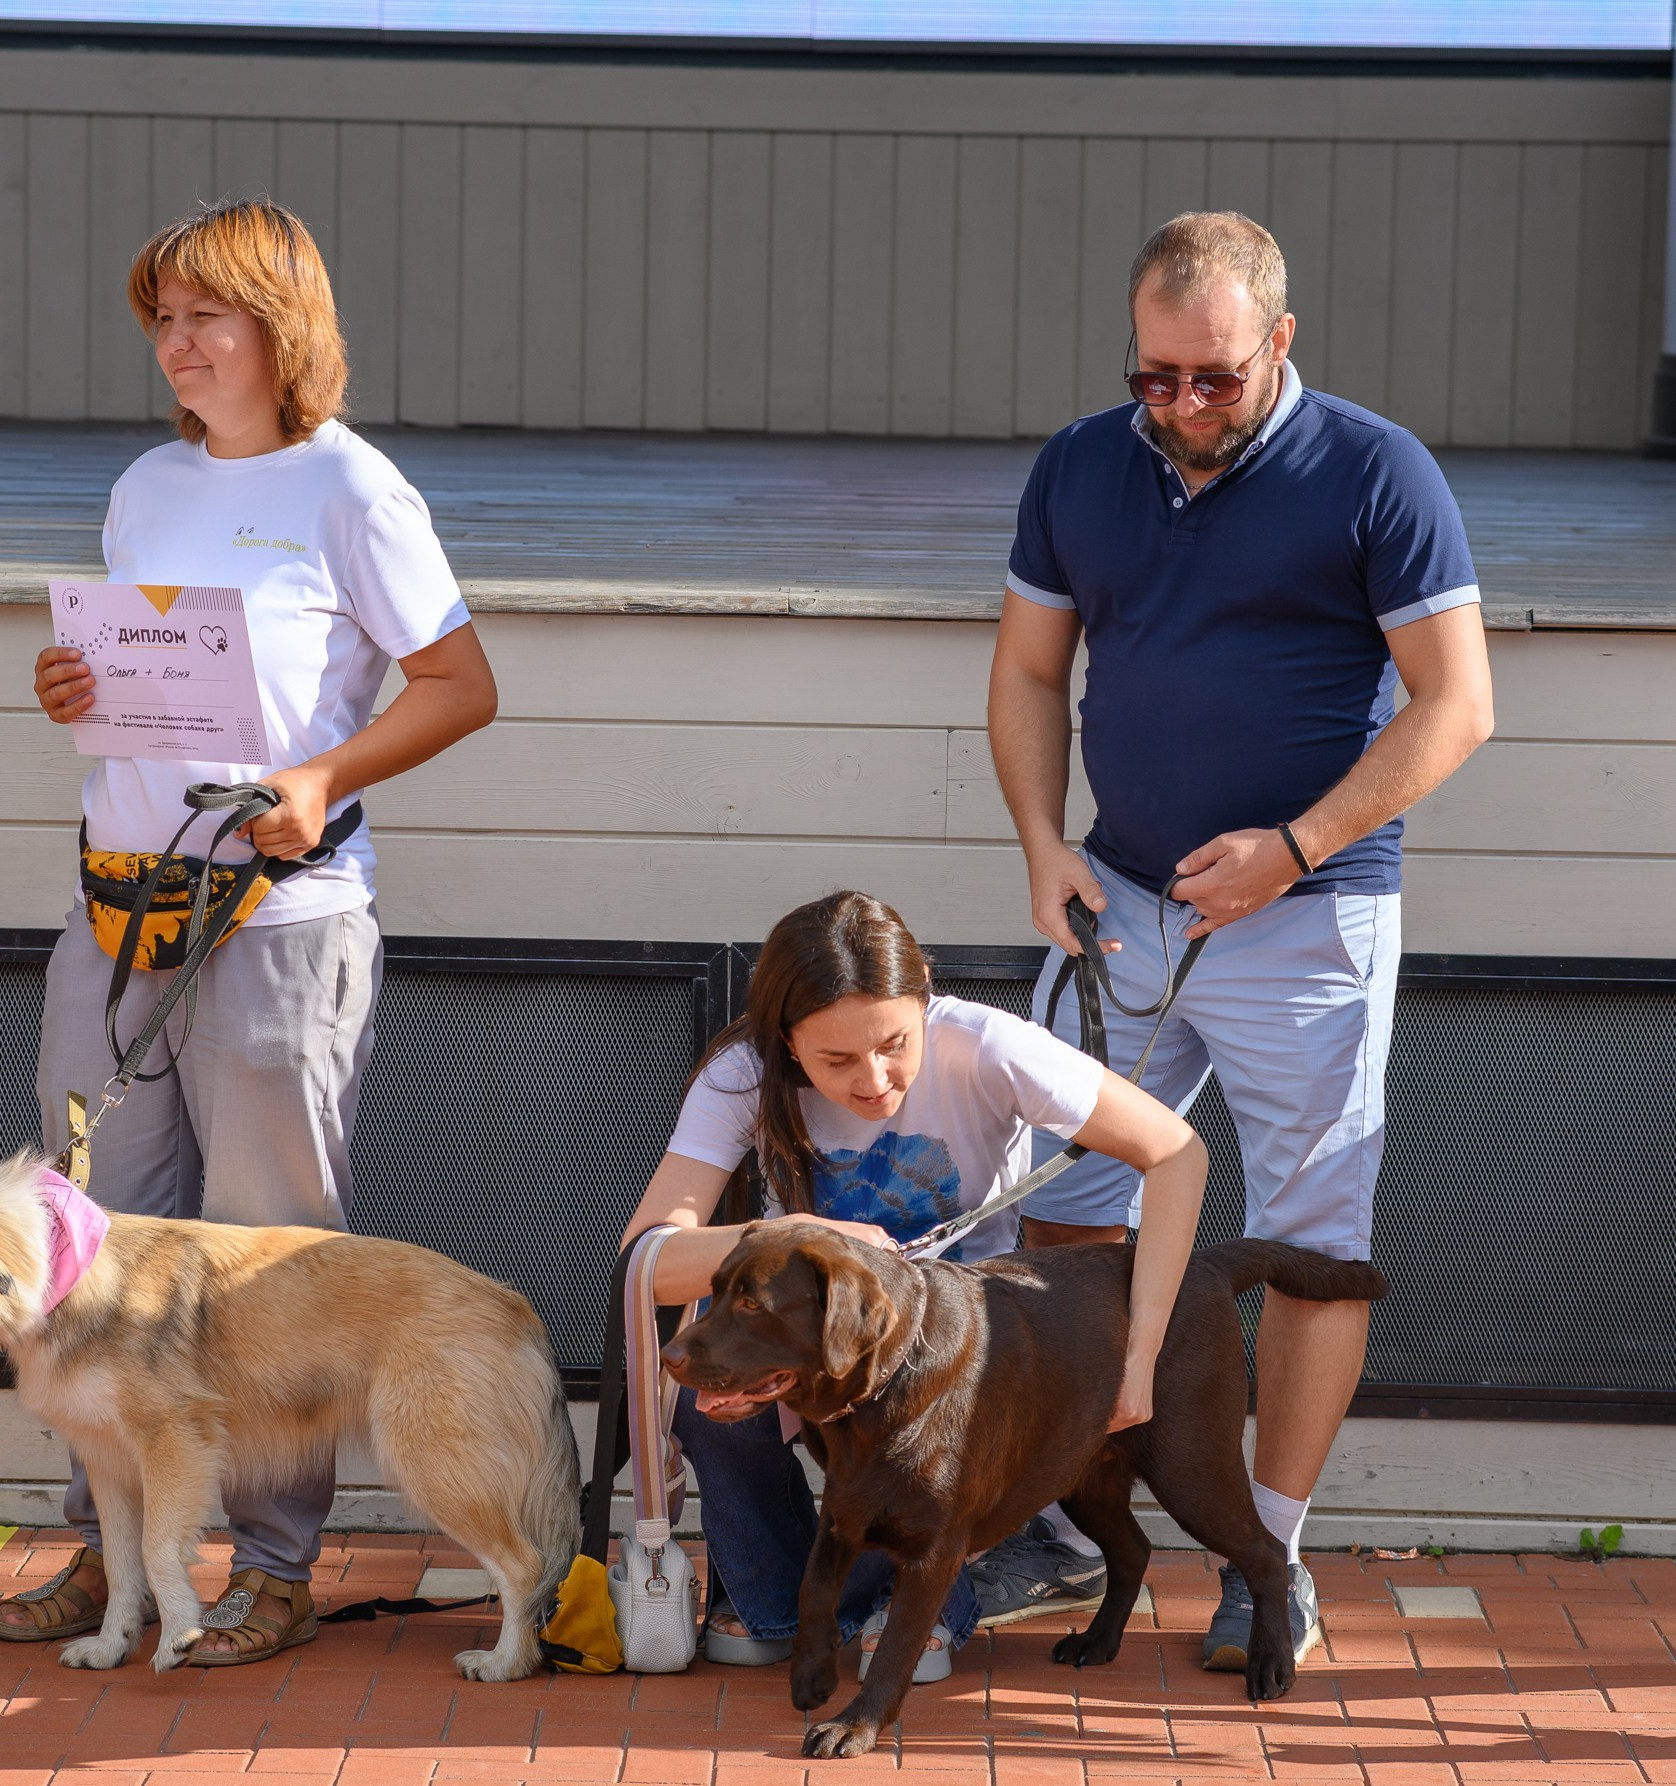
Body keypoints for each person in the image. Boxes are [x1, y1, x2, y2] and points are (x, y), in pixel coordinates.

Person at [0, 199, 499, 1668]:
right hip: (118, 910)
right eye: (163, 317)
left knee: (272, 1260)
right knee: (86, 1239)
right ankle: (113, 1557)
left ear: (283, 329)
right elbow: (138, 678)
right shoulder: (145, 485)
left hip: (281, 917)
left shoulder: (355, 488)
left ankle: (275, 1566)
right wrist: (71, 691)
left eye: (207, 314)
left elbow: (460, 682)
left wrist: (323, 778)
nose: (178, 342)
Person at [987, 211, 1493, 1668]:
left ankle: (1270, 1550)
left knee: (1312, 1238)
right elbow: (1028, 670)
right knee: (1061, 1211)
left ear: (1279, 343)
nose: (1181, 409)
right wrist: (1041, 840)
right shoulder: (1084, 462)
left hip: (1312, 919)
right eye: (1155, 377)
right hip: (1119, 908)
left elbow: (1456, 707)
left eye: (1213, 377)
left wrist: (1297, 848)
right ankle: (1070, 1520)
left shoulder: (1377, 470)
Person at [619, 891, 1206, 1680]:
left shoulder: (989, 1046)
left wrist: (1142, 1355)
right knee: (709, 1400)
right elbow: (646, 1257)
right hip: (812, 1330)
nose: (874, 1080)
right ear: (785, 1041)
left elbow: (1175, 1153)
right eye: (834, 1061)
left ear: (925, 993)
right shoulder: (740, 1075)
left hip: (961, 1347)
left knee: (921, 1435)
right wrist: (801, 1239)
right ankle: (783, 1605)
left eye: (895, 1043)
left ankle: (910, 1598)